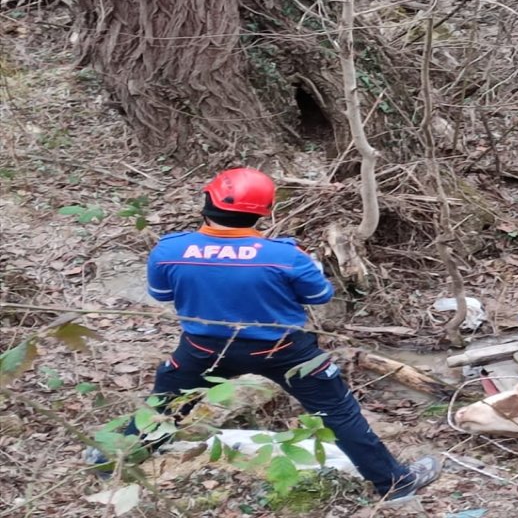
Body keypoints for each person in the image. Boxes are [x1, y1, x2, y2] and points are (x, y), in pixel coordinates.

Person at [87, 168, 440, 503]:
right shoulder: (286, 256)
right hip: (283, 349)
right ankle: (394, 483)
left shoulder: (169, 249)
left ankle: (117, 460)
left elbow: (162, 296)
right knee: (338, 412)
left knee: (166, 403)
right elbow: (320, 297)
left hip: (202, 347)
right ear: (264, 213)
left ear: (207, 200)